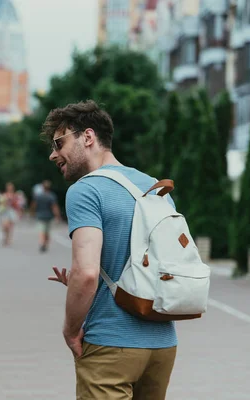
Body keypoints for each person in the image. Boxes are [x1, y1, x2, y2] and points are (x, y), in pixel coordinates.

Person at [44, 100, 177, 400]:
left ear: (87, 137)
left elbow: (87, 273)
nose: (53, 154)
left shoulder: (85, 190)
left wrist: (70, 330)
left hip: (110, 345)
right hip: (162, 343)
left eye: (59, 143)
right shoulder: (157, 188)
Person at [31, 180, 61, 252]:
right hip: (49, 217)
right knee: (47, 232)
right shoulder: (51, 196)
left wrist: (32, 212)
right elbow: (54, 207)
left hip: (40, 216)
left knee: (42, 231)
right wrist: (57, 216)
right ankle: (45, 244)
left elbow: (34, 205)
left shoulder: (38, 196)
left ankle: (42, 243)